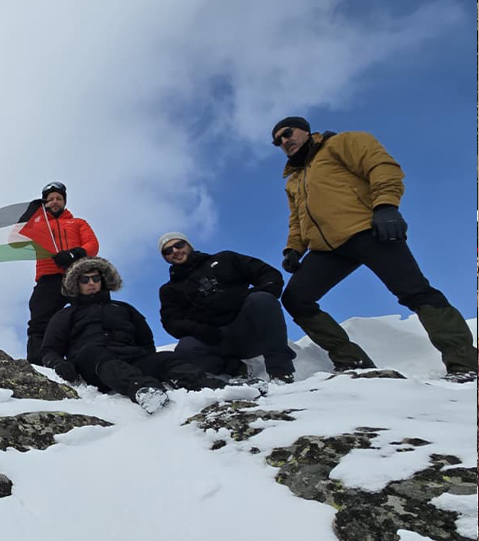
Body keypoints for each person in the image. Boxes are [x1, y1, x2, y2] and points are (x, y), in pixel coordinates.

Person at [270, 116, 478, 381]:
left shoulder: (342, 143)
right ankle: (351, 361)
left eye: (288, 133)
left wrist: (386, 207)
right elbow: (297, 219)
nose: (284, 141)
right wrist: (293, 249)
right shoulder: (294, 180)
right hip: (327, 248)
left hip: (367, 230)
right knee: (295, 298)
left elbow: (381, 167)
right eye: (278, 141)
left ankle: (465, 363)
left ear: (307, 131)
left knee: (415, 290)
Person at [41, 257, 227, 414]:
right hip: (92, 364)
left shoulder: (123, 308)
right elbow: (49, 349)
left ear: (103, 281)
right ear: (76, 284)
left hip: (130, 356)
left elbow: (146, 342)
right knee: (94, 351)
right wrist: (59, 363)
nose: (91, 283)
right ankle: (145, 390)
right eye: (84, 279)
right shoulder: (66, 314)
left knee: (165, 358)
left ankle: (215, 387)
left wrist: (147, 358)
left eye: (96, 278)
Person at [157, 232, 296, 382]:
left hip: (251, 330)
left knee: (261, 300)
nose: (175, 251)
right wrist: (198, 330)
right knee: (186, 349)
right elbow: (171, 321)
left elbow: (267, 274)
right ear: (166, 258)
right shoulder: (169, 290)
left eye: (178, 245)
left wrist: (255, 293)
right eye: (168, 251)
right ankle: (235, 370)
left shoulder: (225, 259)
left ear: (188, 245)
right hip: (216, 341)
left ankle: (280, 371)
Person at [20, 181, 99, 363]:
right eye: (50, 199)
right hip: (48, 278)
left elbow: (92, 245)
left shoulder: (77, 222)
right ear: (44, 202)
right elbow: (17, 239)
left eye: (59, 198)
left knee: (90, 317)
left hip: (78, 276)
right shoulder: (38, 226)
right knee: (40, 322)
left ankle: (89, 360)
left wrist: (74, 253)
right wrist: (29, 215)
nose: (55, 202)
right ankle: (38, 365)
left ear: (64, 201)